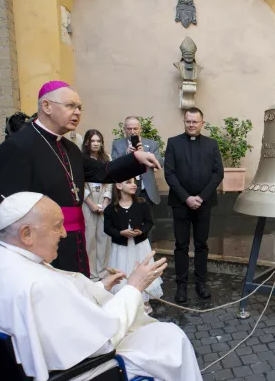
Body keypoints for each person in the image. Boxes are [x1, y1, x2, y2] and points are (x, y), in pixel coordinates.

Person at [0, 192, 230, 381]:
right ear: (26, 233)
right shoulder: (33, 283)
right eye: (56, 226)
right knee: (169, 335)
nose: (64, 233)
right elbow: (102, 339)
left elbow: (60, 309)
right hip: (76, 380)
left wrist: (100, 288)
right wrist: (134, 288)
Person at [0, 80, 161, 276]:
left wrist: (135, 158)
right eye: (70, 106)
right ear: (46, 106)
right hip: (38, 248)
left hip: (74, 238)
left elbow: (102, 171)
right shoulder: (17, 147)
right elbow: (1, 210)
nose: (77, 112)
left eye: (79, 107)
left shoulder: (70, 148)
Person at [164, 107, 224, 303]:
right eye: (188, 121)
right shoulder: (173, 143)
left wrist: (201, 197)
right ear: (184, 121)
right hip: (180, 204)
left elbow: (218, 173)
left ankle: (201, 283)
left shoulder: (211, 144)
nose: (191, 125)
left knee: (201, 245)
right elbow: (169, 173)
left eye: (195, 121)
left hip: (204, 204)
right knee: (181, 246)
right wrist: (186, 198)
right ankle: (181, 286)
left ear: (202, 123)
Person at [104, 179, 163, 315]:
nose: (134, 184)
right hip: (122, 248)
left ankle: (145, 300)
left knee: (141, 268)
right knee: (125, 269)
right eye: (128, 182)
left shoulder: (141, 204)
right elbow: (107, 228)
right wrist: (120, 233)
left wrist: (142, 230)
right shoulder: (112, 208)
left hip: (140, 246)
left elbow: (149, 222)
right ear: (119, 185)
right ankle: (127, 302)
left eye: (134, 182)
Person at [81, 129, 112, 280]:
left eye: (98, 141)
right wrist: (91, 204)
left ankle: (103, 272)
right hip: (88, 201)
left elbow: (111, 182)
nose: (95, 144)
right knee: (89, 239)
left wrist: (105, 201)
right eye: (92, 141)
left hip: (103, 198)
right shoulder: (81, 159)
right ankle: (91, 274)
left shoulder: (107, 158)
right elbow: (79, 184)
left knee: (104, 239)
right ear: (87, 142)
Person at [111, 116, 162, 205]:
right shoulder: (117, 144)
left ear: (140, 129)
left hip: (146, 190)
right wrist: (126, 154)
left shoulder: (152, 144)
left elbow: (160, 162)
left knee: (147, 218)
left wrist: (145, 154)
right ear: (124, 129)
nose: (132, 132)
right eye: (129, 129)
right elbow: (113, 165)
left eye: (135, 128)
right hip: (125, 192)